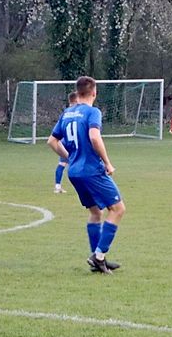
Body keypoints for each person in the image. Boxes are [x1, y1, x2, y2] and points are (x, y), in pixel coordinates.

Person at [47, 76, 125, 274]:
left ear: (77, 92)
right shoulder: (93, 112)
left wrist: (70, 157)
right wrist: (107, 162)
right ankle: (99, 256)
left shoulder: (67, 113)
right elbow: (94, 137)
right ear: (94, 93)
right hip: (91, 170)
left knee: (95, 213)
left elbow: (52, 141)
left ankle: (98, 257)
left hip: (74, 172)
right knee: (118, 209)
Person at [54, 91, 78, 193]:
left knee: (62, 163)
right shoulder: (78, 112)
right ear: (76, 100)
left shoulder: (65, 113)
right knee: (79, 162)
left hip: (63, 142)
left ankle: (57, 186)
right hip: (73, 142)